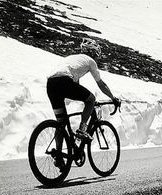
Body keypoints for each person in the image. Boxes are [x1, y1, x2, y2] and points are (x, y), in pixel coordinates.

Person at [46, 38, 119, 170]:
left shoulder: (74, 58)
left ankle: (59, 156)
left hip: (51, 84)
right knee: (90, 99)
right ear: (94, 53)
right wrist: (113, 98)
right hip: (64, 81)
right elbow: (101, 84)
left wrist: (81, 97)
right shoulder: (90, 61)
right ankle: (82, 130)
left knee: (61, 123)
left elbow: (76, 85)